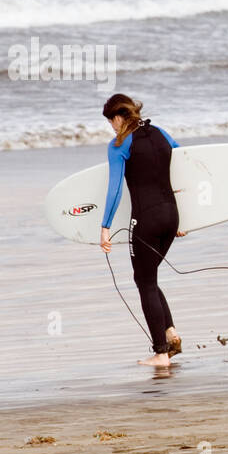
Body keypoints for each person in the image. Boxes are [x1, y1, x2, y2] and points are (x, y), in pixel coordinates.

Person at [98, 94, 185, 367]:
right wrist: (187, 219)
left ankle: (161, 354)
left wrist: (105, 227)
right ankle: (169, 333)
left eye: (111, 121)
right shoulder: (161, 133)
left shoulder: (119, 145)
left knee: (144, 281)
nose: (112, 127)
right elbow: (186, 163)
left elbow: (114, 189)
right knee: (148, 277)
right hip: (171, 216)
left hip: (146, 221)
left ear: (118, 117)